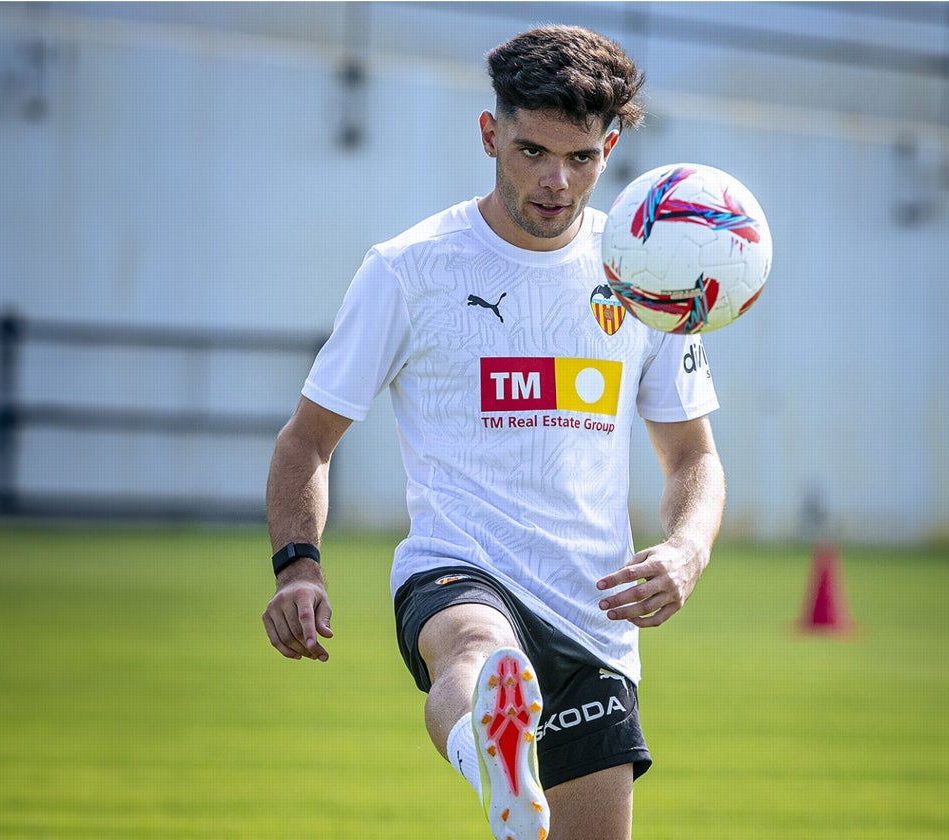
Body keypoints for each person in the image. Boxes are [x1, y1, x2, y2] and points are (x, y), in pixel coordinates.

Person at [262, 24, 725, 840]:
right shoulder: (410, 270)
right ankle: (492, 756)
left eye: (581, 158)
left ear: (610, 145)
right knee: (475, 646)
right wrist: (298, 568)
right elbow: (308, 439)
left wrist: (686, 550)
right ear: (490, 134)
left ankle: (506, 770)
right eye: (532, 151)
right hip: (459, 568)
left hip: (596, 614)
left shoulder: (646, 276)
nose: (556, 181)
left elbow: (692, 457)